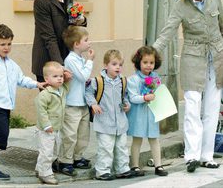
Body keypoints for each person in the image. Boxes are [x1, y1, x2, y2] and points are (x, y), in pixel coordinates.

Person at [153, 0, 223, 172]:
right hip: (192, 59)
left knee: (211, 108)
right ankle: (191, 156)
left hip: (217, 58)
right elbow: (168, 32)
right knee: (192, 105)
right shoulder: (180, 6)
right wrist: (151, 52)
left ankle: (206, 155)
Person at [0, 24, 46, 180]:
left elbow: (21, 79)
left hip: (6, 106)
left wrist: (36, 84)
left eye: (9, 44)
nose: (6, 48)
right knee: (0, 134)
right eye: (2, 44)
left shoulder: (11, 64)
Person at [32, 0, 86, 82]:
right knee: (52, 101)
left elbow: (72, 21)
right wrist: (60, 67)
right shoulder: (41, 1)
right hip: (48, 61)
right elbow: (49, 38)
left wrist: (81, 20)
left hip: (66, 54)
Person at [85, 49, 136, 180]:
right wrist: (93, 104)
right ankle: (102, 171)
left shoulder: (123, 81)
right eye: (114, 64)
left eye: (120, 64)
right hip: (104, 122)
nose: (118, 67)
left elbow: (125, 96)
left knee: (122, 147)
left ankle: (122, 169)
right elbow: (88, 93)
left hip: (120, 122)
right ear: (105, 65)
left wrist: (127, 104)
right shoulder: (98, 81)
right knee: (106, 148)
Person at [58, 26, 94, 176]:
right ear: (76, 44)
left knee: (83, 133)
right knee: (70, 134)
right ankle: (64, 161)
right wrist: (90, 61)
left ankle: (77, 157)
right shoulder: (71, 59)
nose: (89, 42)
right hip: (72, 104)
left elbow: (83, 80)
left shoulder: (79, 59)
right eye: (86, 40)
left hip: (82, 103)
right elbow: (82, 76)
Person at [127, 46, 168, 177]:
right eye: (145, 62)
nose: (149, 66)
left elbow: (158, 94)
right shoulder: (133, 79)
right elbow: (132, 98)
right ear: (138, 62)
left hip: (151, 113)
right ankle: (134, 165)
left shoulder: (155, 78)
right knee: (137, 139)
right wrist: (144, 98)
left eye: (152, 63)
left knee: (154, 139)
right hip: (138, 114)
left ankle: (158, 165)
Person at [35, 61, 70, 185]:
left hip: (57, 127)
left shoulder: (61, 90)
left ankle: (40, 168)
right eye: (55, 76)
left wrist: (67, 77)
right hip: (46, 129)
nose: (59, 79)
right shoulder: (45, 94)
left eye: (61, 76)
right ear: (46, 79)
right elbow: (41, 110)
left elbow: (67, 85)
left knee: (53, 150)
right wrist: (46, 125)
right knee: (47, 152)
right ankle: (46, 174)